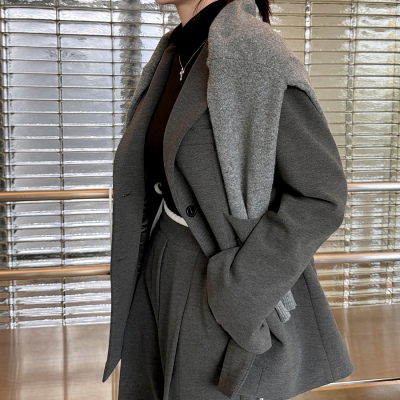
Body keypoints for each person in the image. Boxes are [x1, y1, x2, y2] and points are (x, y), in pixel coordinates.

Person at [103, 0, 354, 398]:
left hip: (218, 280)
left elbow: (322, 195)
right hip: (162, 268)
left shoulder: (256, 54)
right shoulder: (176, 53)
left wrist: (240, 292)